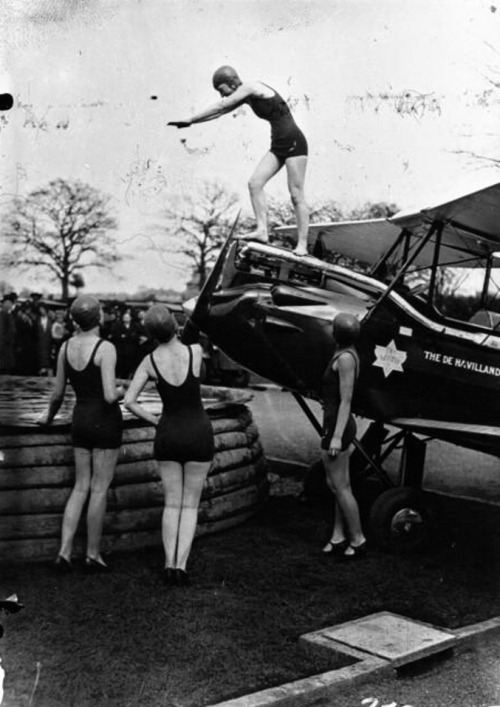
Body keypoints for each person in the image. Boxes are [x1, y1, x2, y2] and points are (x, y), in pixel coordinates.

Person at [168, 65, 309, 255]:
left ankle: (302, 245)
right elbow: (220, 112)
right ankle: (262, 231)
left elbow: (221, 106)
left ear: (232, 82)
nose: (221, 95)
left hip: (294, 141)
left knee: (296, 194)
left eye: (221, 90)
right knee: (255, 183)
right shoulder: (246, 96)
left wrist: (191, 119)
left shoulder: (251, 87)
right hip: (278, 144)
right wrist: (191, 122)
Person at [124, 304, 214, 586]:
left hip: (168, 432)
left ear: (150, 333)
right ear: (175, 324)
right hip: (198, 432)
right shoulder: (195, 352)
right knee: (189, 506)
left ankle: (167, 563)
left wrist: (155, 421)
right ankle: (181, 565)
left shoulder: (149, 361)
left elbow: (128, 401)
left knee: (171, 504)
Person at [39, 295, 124, 573]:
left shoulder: (65, 347)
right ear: (98, 317)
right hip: (105, 421)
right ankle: (92, 554)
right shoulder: (105, 348)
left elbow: (57, 394)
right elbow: (111, 395)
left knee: (80, 487)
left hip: (81, 420)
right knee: (99, 489)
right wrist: (125, 391)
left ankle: (63, 552)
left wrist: (47, 419)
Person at [321, 312, 367, 560]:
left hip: (337, 427)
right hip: (335, 424)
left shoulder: (346, 359)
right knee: (340, 485)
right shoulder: (343, 353)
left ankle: (358, 538)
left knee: (338, 486)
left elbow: (346, 401)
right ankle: (339, 535)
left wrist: (336, 437)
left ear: (337, 333)